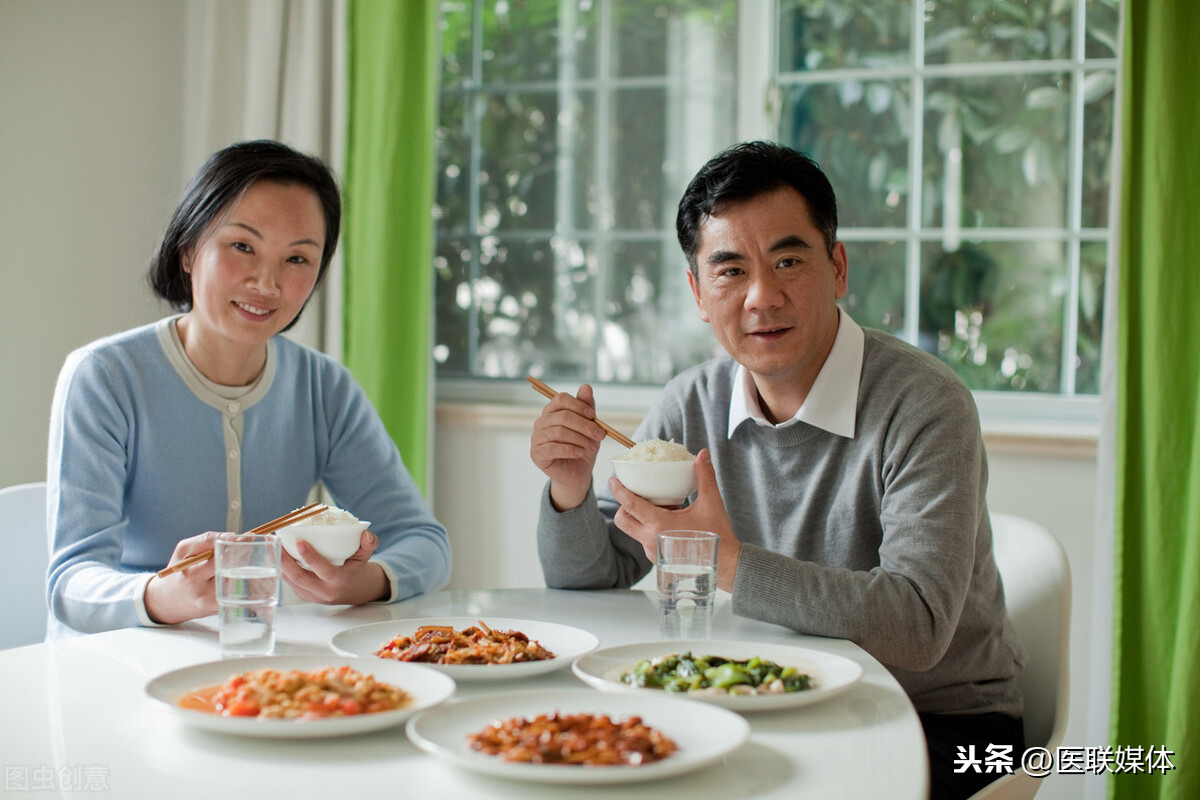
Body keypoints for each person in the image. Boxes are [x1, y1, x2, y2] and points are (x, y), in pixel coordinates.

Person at [530, 141, 1026, 799]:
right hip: (772, 698)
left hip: (944, 723)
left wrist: (726, 561)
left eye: (788, 260)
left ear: (838, 266)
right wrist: (569, 486)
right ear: (698, 293)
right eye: (730, 270)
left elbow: (917, 626)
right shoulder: (693, 401)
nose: (763, 296)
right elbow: (594, 574)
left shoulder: (923, 403)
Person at [47, 140, 451, 638]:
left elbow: (425, 542)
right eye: (243, 247)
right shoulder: (104, 378)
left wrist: (359, 582)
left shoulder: (324, 389)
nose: (268, 283)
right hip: (117, 668)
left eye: (298, 259)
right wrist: (163, 595)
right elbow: (70, 584)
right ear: (189, 249)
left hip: (262, 670)